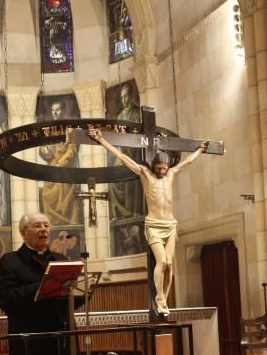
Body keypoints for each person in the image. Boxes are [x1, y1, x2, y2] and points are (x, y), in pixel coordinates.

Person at [88, 127, 207, 315]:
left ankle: (165, 300)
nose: (161, 170)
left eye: (164, 168)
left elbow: (187, 163)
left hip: (170, 225)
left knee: (170, 264)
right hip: (153, 225)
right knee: (162, 262)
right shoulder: (145, 174)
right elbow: (123, 157)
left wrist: (199, 150)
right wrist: (102, 140)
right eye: (159, 167)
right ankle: (159, 299)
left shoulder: (171, 174)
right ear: (154, 165)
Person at [0, 213, 84, 355]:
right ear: (23, 233)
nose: (44, 229)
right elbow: (6, 298)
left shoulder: (61, 260)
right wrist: (43, 286)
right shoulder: (10, 261)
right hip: (31, 342)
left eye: (46, 225)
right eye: (37, 226)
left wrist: (80, 294)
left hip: (62, 339)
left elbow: (69, 299)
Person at [39, 99, 82, 226]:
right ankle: (52, 224)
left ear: (63, 111)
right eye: (53, 110)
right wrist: (45, 151)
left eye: (57, 110)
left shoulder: (70, 130)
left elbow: (72, 151)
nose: (55, 113)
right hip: (52, 168)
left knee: (63, 191)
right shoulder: (49, 131)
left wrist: (60, 164)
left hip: (65, 169)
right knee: (46, 193)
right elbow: (42, 149)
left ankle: (67, 223)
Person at [109, 82, 143, 220]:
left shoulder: (137, 112)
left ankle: (134, 211)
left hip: (134, 153)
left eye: (126, 96)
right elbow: (117, 137)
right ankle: (120, 212)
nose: (124, 100)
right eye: (122, 97)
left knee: (132, 178)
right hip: (123, 153)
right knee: (113, 179)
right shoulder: (120, 116)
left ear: (131, 95)